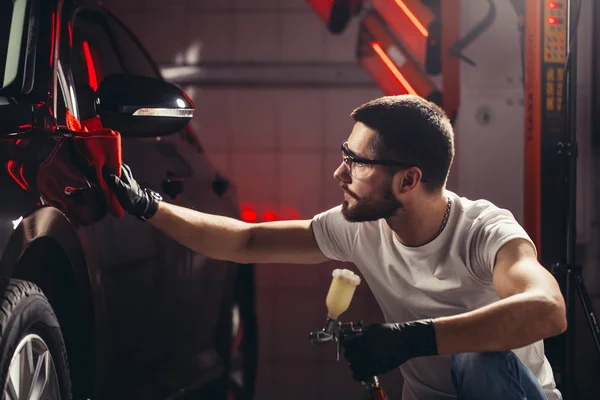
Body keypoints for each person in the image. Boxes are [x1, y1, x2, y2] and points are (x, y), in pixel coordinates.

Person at [102, 95, 565, 400]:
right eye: (344, 156)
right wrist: (148, 206)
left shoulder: (484, 231)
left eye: (356, 163)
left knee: (481, 357)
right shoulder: (359, 228)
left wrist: (413, 338)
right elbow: (246, 240)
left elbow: (547, 310)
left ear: (408, 180)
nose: (339, 176)